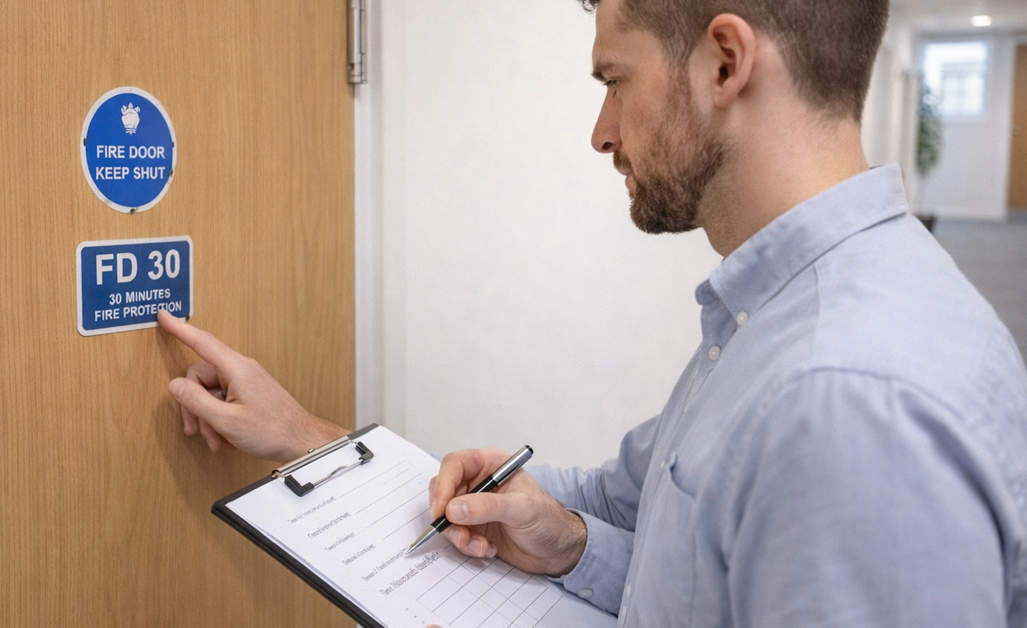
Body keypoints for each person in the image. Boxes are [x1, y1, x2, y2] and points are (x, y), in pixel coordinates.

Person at [158, 0, 1027, 624]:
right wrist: (313, 440)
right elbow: (622, 512)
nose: (601, 131)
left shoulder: (850, 404)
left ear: (726, 62)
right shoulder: (774, 320)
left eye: (615, 79)